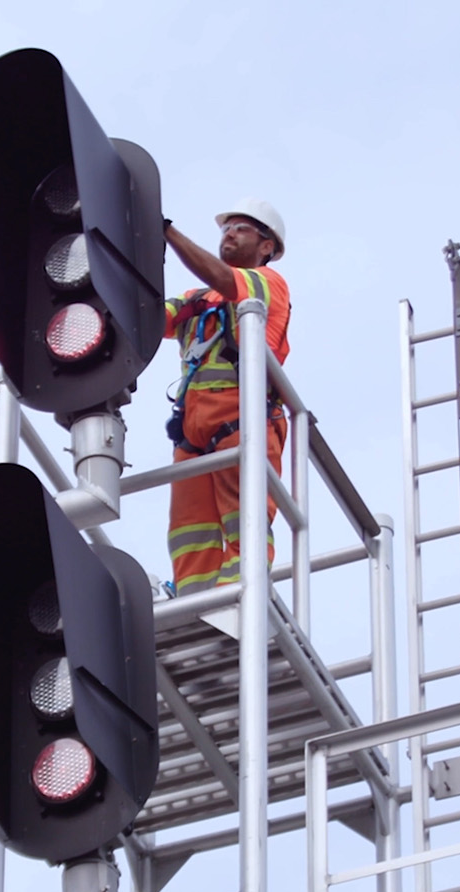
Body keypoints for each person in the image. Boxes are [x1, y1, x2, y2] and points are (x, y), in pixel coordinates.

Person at [160, 198, 291, 597]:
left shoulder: (267, 283)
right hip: (192, 432)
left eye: (241, 228)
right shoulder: (198, 298)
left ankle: (242, 598)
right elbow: (147, 317)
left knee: (244, 520)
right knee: (189, 531)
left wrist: (167, 232)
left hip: (243, 418)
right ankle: (194, 604)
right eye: (225, 228)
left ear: (266, 246)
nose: (229, 234)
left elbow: (224, 279)